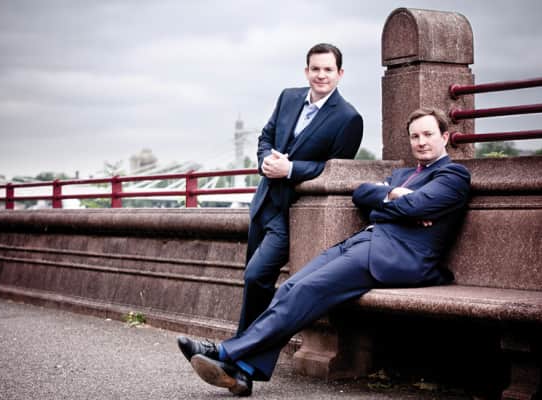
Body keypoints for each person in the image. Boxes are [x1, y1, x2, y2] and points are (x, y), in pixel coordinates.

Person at [177, 107, 471, 397]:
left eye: (428, 134)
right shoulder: (402, 175)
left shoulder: (453, 175)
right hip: (364, 244)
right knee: (290, 286)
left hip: (397, 256)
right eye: (415, 136)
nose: (421, 142)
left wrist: (390, 202)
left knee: (308, 290)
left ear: (445, 137)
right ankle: (243, 372)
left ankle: (225, 352)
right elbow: (361, 195)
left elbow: (415, 206)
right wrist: (393, 196)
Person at [236, 43, 363, 335]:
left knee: (256, 275)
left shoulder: (349, 119)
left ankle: (242, 347)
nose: (321, 75)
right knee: (254, 280)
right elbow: (266, 137)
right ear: (306, 71)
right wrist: (266, 160)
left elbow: (335, 171)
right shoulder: (288, 97)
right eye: (315, 69)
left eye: (328, 69)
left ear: (340, 73)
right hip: (264, 202)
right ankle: (247, 346)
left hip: (293, 212)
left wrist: (291, 169)